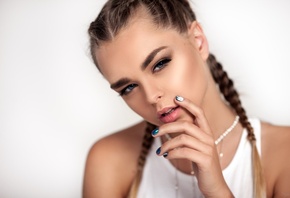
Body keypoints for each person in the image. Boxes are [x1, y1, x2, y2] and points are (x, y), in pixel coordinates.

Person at [83, 0, 290, 197]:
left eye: (160, 64)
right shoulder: (109, 160)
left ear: (198, 42)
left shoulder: (284, 153)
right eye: (129, 87)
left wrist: (217, 192)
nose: (151, 96)